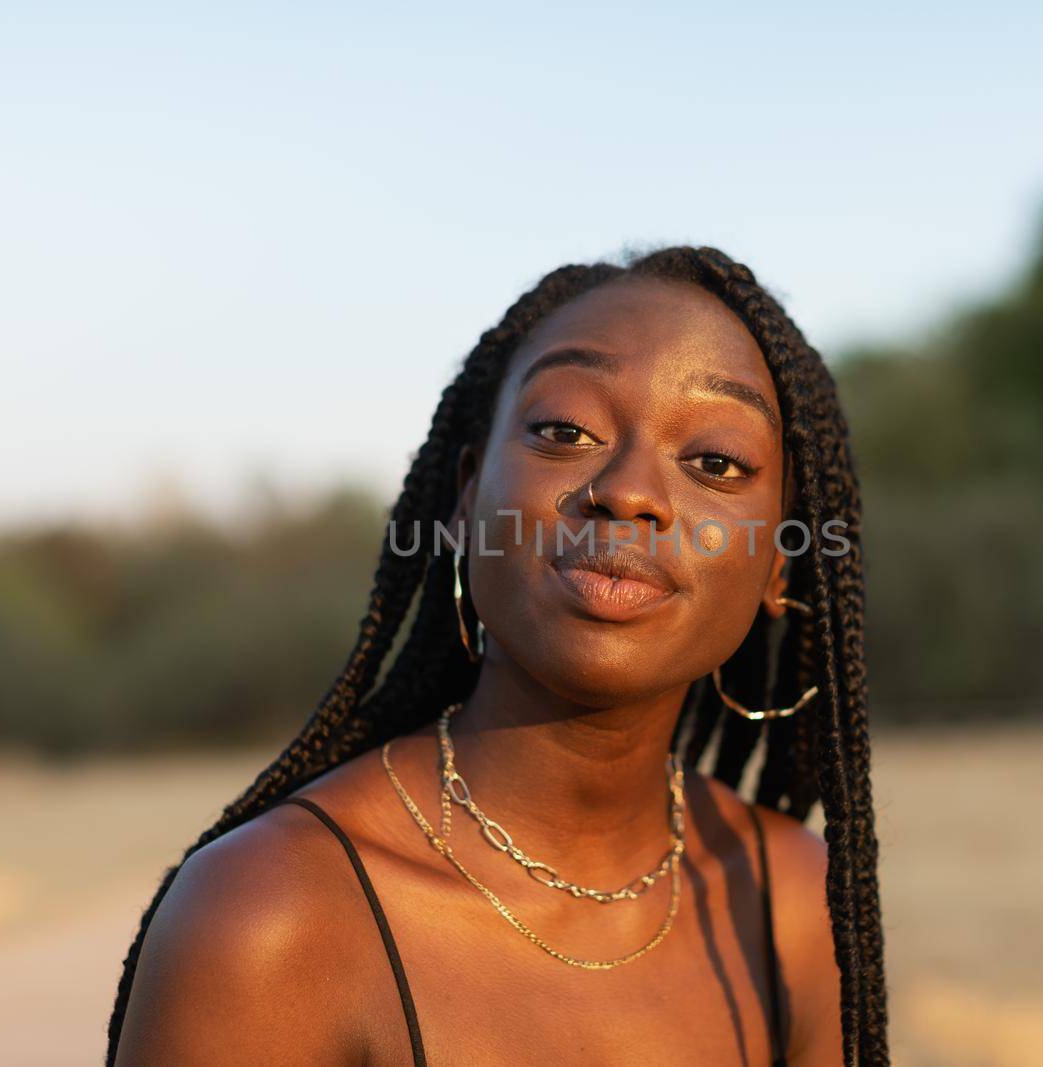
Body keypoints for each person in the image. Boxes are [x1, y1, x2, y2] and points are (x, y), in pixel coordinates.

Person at [106, 246, 888, 1066]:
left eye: (715, 462)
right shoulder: (275, 914)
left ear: (777, 563)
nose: (627, 491)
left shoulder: (790, 902)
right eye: (565, 430)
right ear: (466, 497)